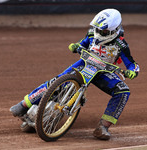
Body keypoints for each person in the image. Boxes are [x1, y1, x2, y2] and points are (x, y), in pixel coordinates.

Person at [10, 8, 140, 140]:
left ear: (114, 30)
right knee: (58, 81)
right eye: (98, 29)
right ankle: (23, 105)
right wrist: (75, 46)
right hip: (84, 64)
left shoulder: (121, 44)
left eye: (103, 31)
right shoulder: (91, 33)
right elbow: (82, 43)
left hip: (103, 72)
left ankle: (103, 127)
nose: (99, 33)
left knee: (123, 92)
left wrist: (133, 71)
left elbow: (131, 63)